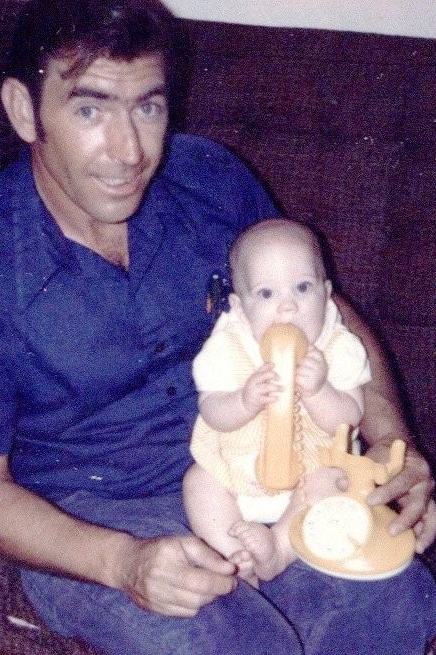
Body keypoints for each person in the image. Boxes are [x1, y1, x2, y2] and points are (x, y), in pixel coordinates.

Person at [0, 1, 436, 653]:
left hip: (253, 470)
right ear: (23, 110)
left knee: (397, 605)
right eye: (90, 110)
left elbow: (326, 315)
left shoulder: (209, 178)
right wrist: (121, 562)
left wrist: (390, 443)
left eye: (147, 107)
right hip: (92, 509)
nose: (128, 151)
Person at [184, 218, 371, 586]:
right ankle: (234, 557)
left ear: (326, 293)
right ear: (240, 307)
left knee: (336, 483)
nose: (288, 307)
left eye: (302, 287)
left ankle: (280, 549)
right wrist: (243, 402)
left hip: (312, 473)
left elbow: (350, 418)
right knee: (199, 482)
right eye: (266, 294)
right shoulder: (227, 346)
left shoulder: (339, 347)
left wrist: (320, 391)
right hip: (236, 469)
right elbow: (212, 411)